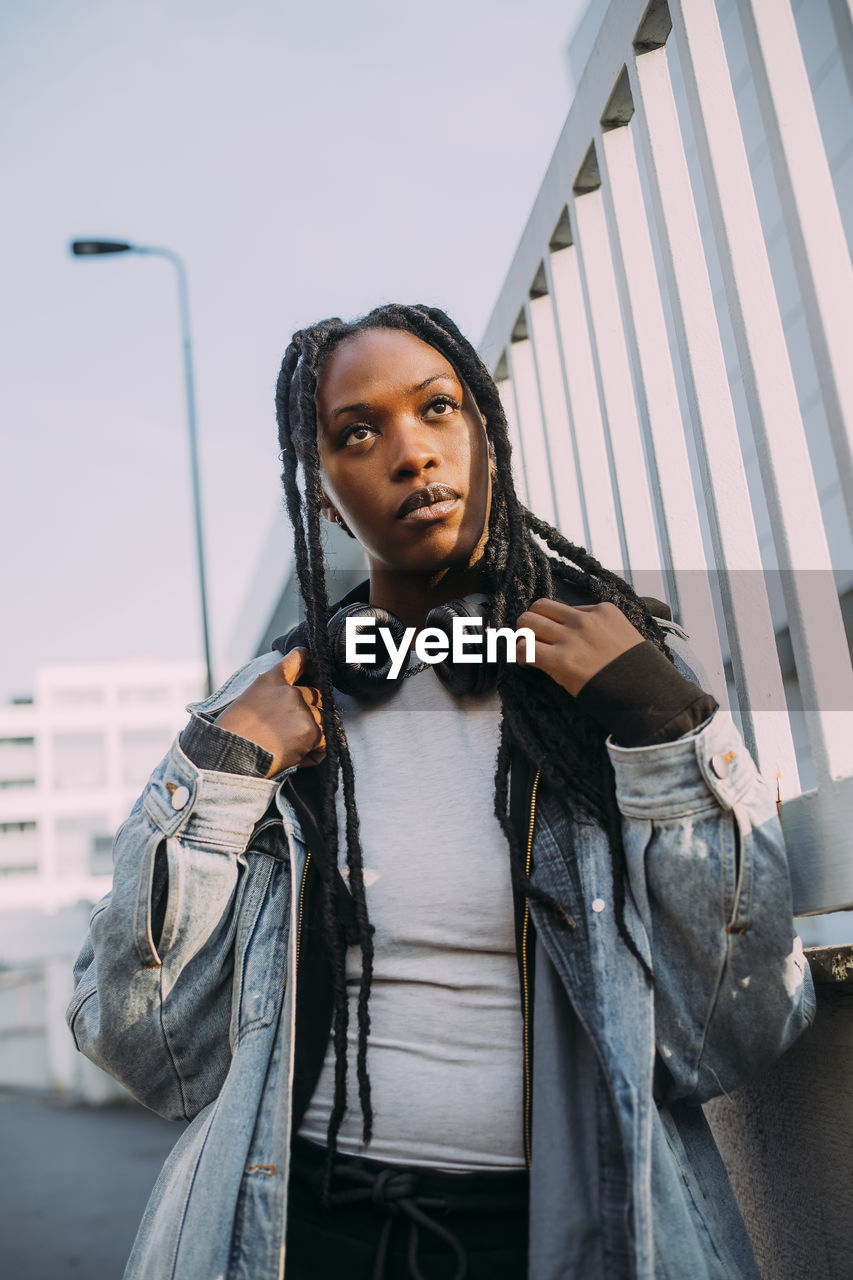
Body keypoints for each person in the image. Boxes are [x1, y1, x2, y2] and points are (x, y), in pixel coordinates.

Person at [67, 303, 815, 1280]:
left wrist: (666, 733)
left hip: (571, 1235)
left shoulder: (621, 686)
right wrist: (219, 773)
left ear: (489, 439)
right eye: (358, 433)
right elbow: (152, 1051)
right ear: (325, 496)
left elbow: (734, 1030)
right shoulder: (260, 716)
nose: (412, 454)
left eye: (438, 408)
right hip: (299, 1231)